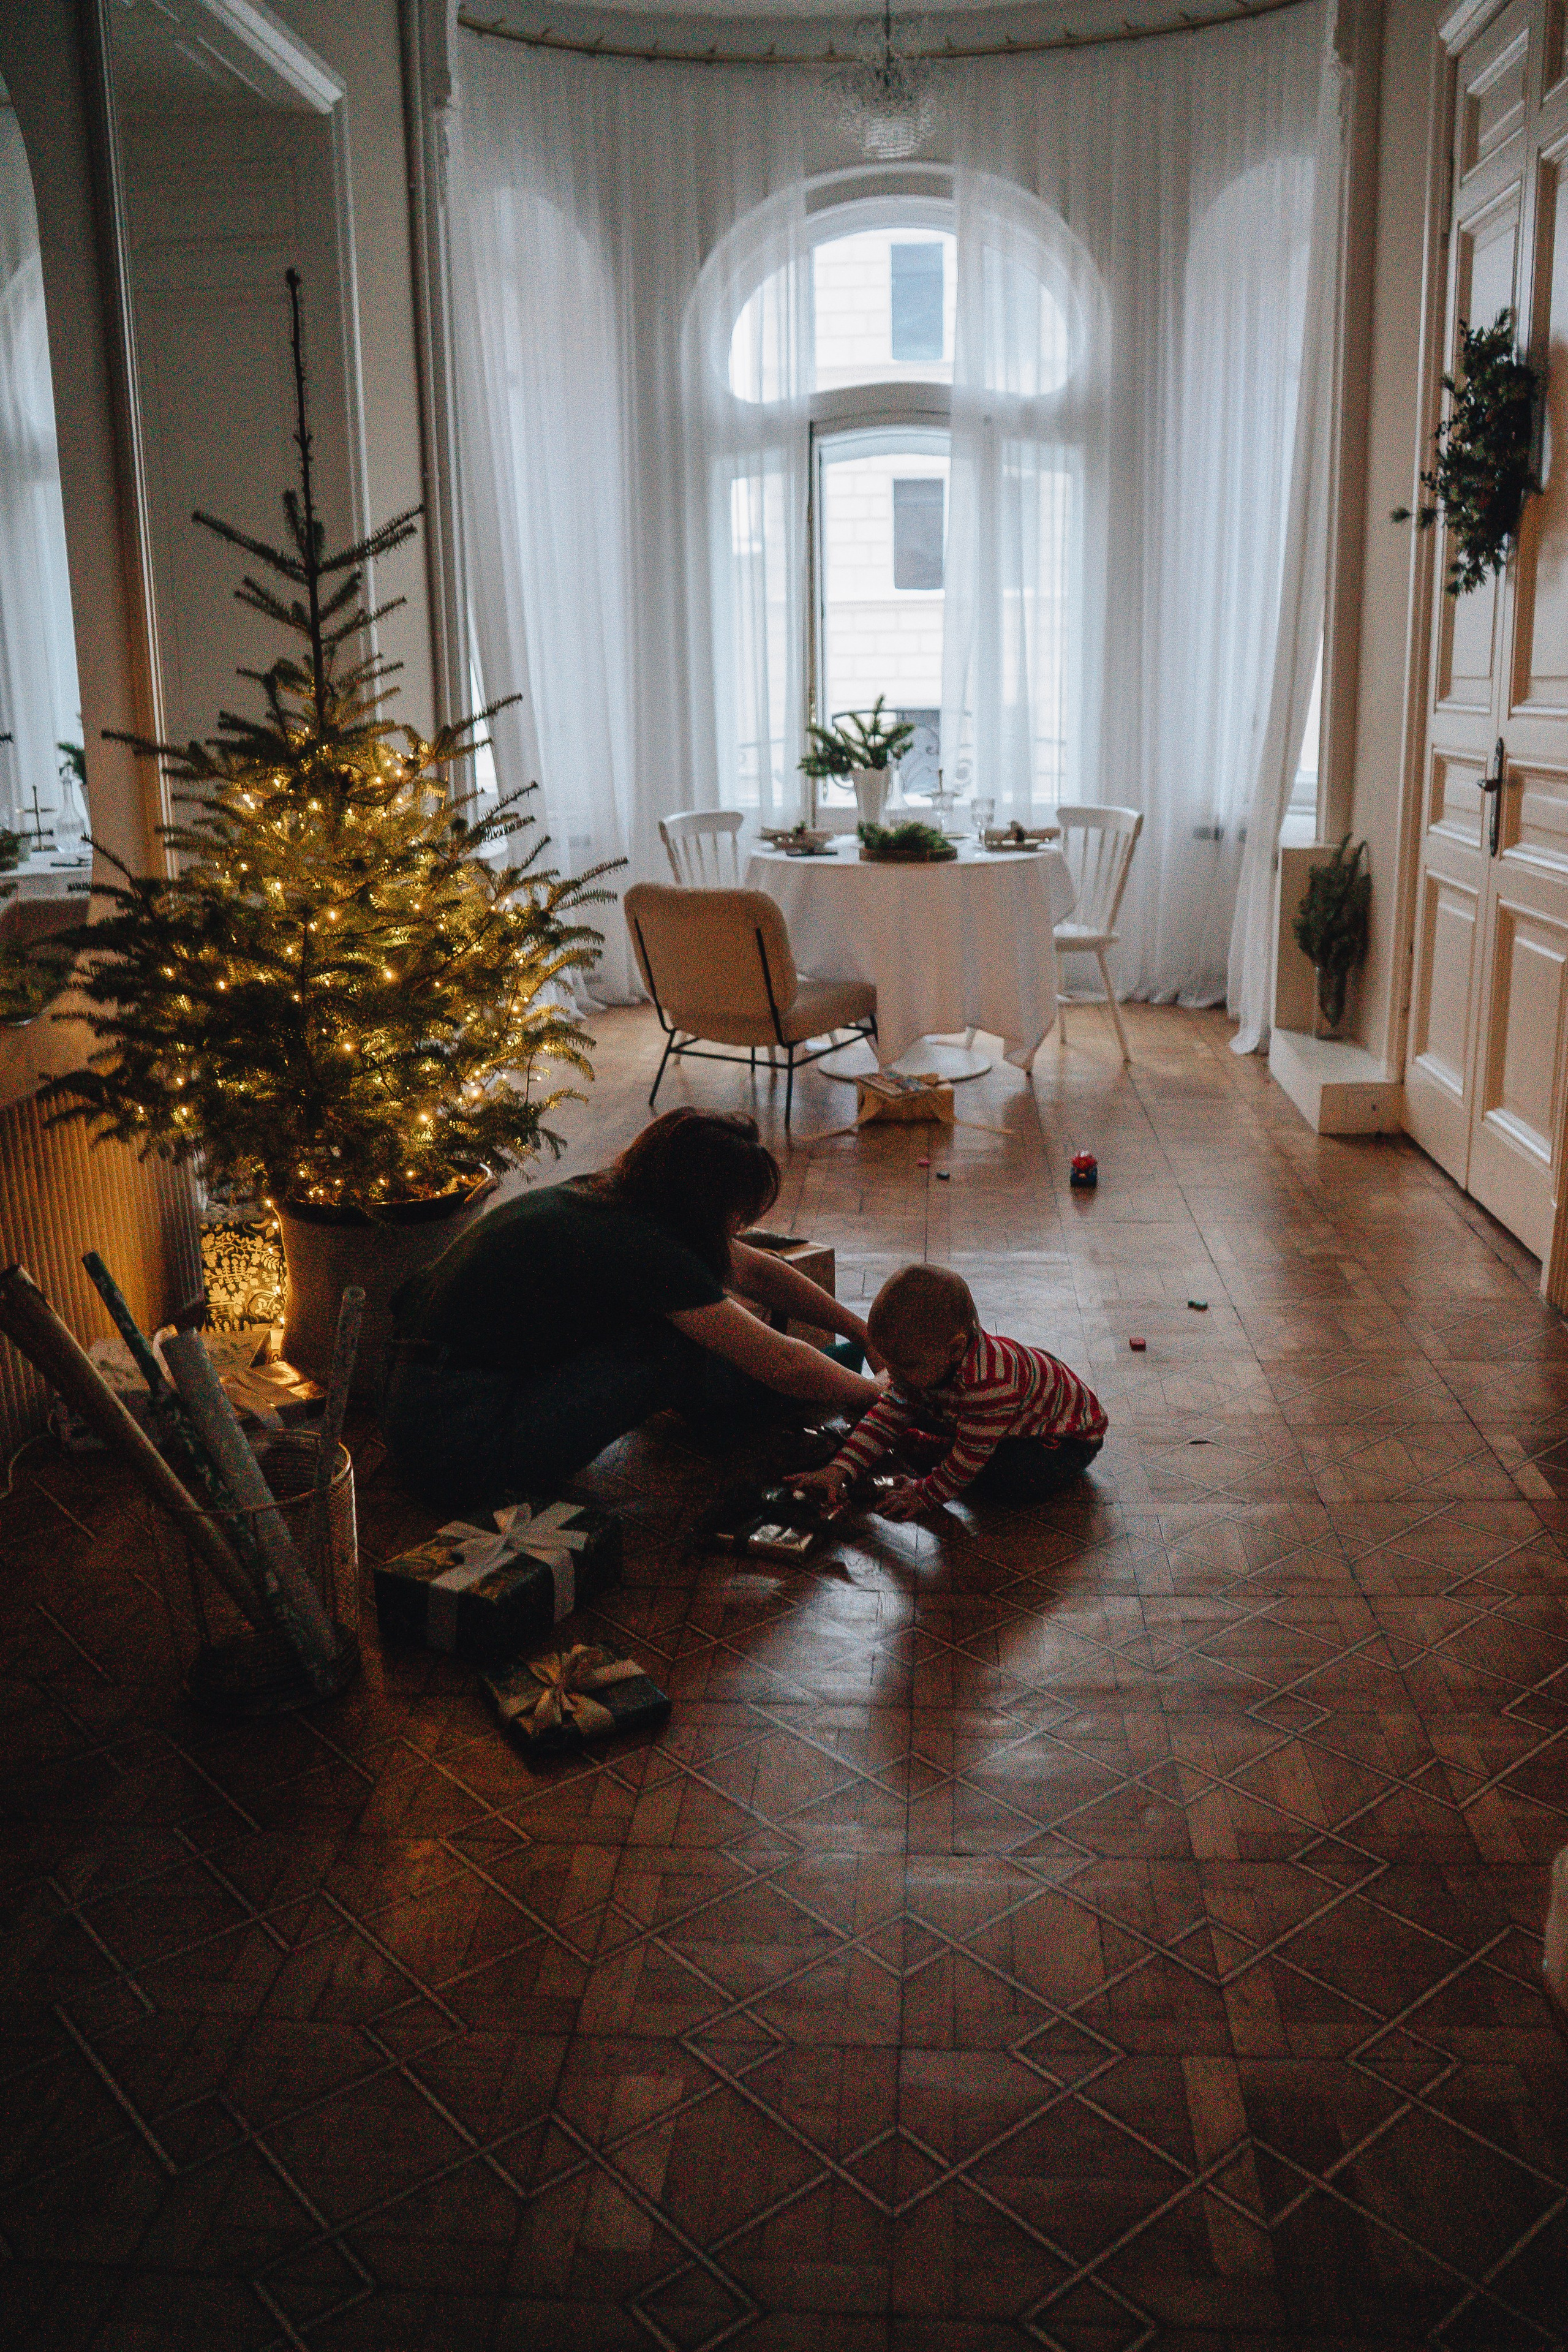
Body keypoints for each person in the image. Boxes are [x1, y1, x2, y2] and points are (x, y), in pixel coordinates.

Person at [381, 1108, 884, 1507]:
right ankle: (743, 1413)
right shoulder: (645, 1247)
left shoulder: (611, 1197)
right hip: (462, 1449)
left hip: (423, 1406)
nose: (738, 1227)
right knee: (669, 1343)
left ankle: (743, 1408)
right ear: (709, 1207)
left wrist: (863, 1331)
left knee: (683, 1330)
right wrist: (876, 1395)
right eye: (738, 1214)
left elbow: (752, 1268)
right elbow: (785, 1362)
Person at [793, 1262, 1106, 1520]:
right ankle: (941, 1447)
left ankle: (937, 1449)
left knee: (1006, 1478)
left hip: (1061, 1441)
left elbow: (970, 1457)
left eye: (905, 1365)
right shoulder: (929, 1364)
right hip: (993, 1419)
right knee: (905, 1409)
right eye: (890, 1363)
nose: (893, 1374)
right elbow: (888, 1413)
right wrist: (841, 1468)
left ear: (955, 1348)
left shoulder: (990, 1386)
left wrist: (923, 1494)